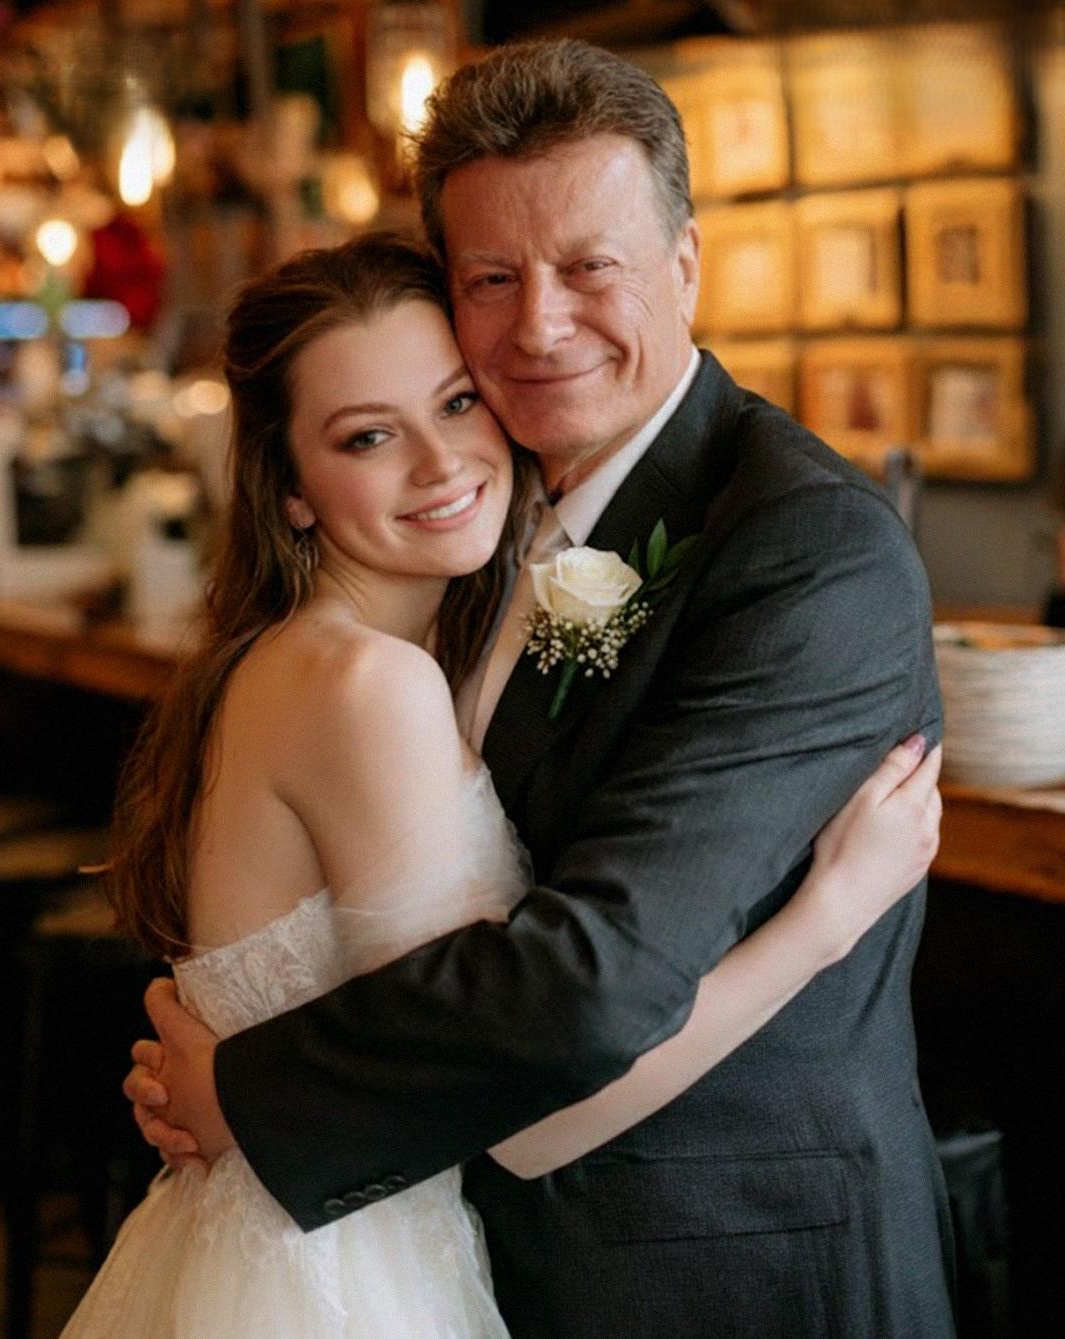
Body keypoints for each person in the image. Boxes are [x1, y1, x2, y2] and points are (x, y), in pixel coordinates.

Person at [126, 40, 955, 1338]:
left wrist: (251, 1089)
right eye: (492, 281)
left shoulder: (807, 549)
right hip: (478, 1255)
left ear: (686, 263)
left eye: (589, 268)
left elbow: (590, 979)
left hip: (724, 1268)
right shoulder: (480, 540)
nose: (540, 326)